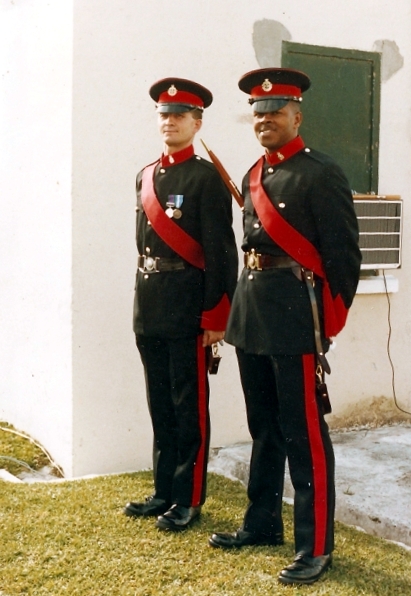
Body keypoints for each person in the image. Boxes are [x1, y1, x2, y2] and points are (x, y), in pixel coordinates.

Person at [209, 68, 361, 585]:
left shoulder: (321, 174)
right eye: (258, 112)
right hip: (252, 316)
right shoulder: (256, 173)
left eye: (276, 111)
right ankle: (262, 524)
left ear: (297, 115)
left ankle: (315, 546)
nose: (265, 119)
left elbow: (344, 259)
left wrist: (327, 327)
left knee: (305, 435)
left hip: (298, 319)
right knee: (264, 429)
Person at [124, 77, 238, 532]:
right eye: (163, 115)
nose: (169, 122)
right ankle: (163, 491)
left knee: (188, 405)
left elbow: (220, 253)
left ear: (197, 122)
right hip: (150, 305)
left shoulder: (206, 178)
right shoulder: (146, 175)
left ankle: (188, 499)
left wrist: (215, 316)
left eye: (179, 115)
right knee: (160, 403)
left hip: (188, 307)